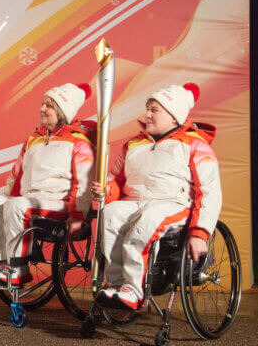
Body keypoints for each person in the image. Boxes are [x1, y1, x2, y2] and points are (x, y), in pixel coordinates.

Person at [91, 83, 222, 310]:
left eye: (154, 110)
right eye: (147, 108)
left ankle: (134, 290)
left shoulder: (194, 145)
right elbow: (116, 180)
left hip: (174, 205)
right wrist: (107, 190)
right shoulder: (133, 144)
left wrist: (200, 233)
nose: (147, 115)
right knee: (110, 213)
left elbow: (210, 190)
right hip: (134, 203)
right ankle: (116, 285)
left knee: (148, 219)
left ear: (174, 117)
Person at [0, 83, 95, 285]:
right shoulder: (34, 139)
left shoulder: (79, 143)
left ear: (61, 111)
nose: (41, 109)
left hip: (60, 203)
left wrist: (77, 215)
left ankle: (18, 268)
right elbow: (17, 176)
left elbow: (83, 183)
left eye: (48, 105)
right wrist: (5, 198)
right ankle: (0, 264)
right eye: (42, 104)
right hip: (31, 200)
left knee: (18, 205)